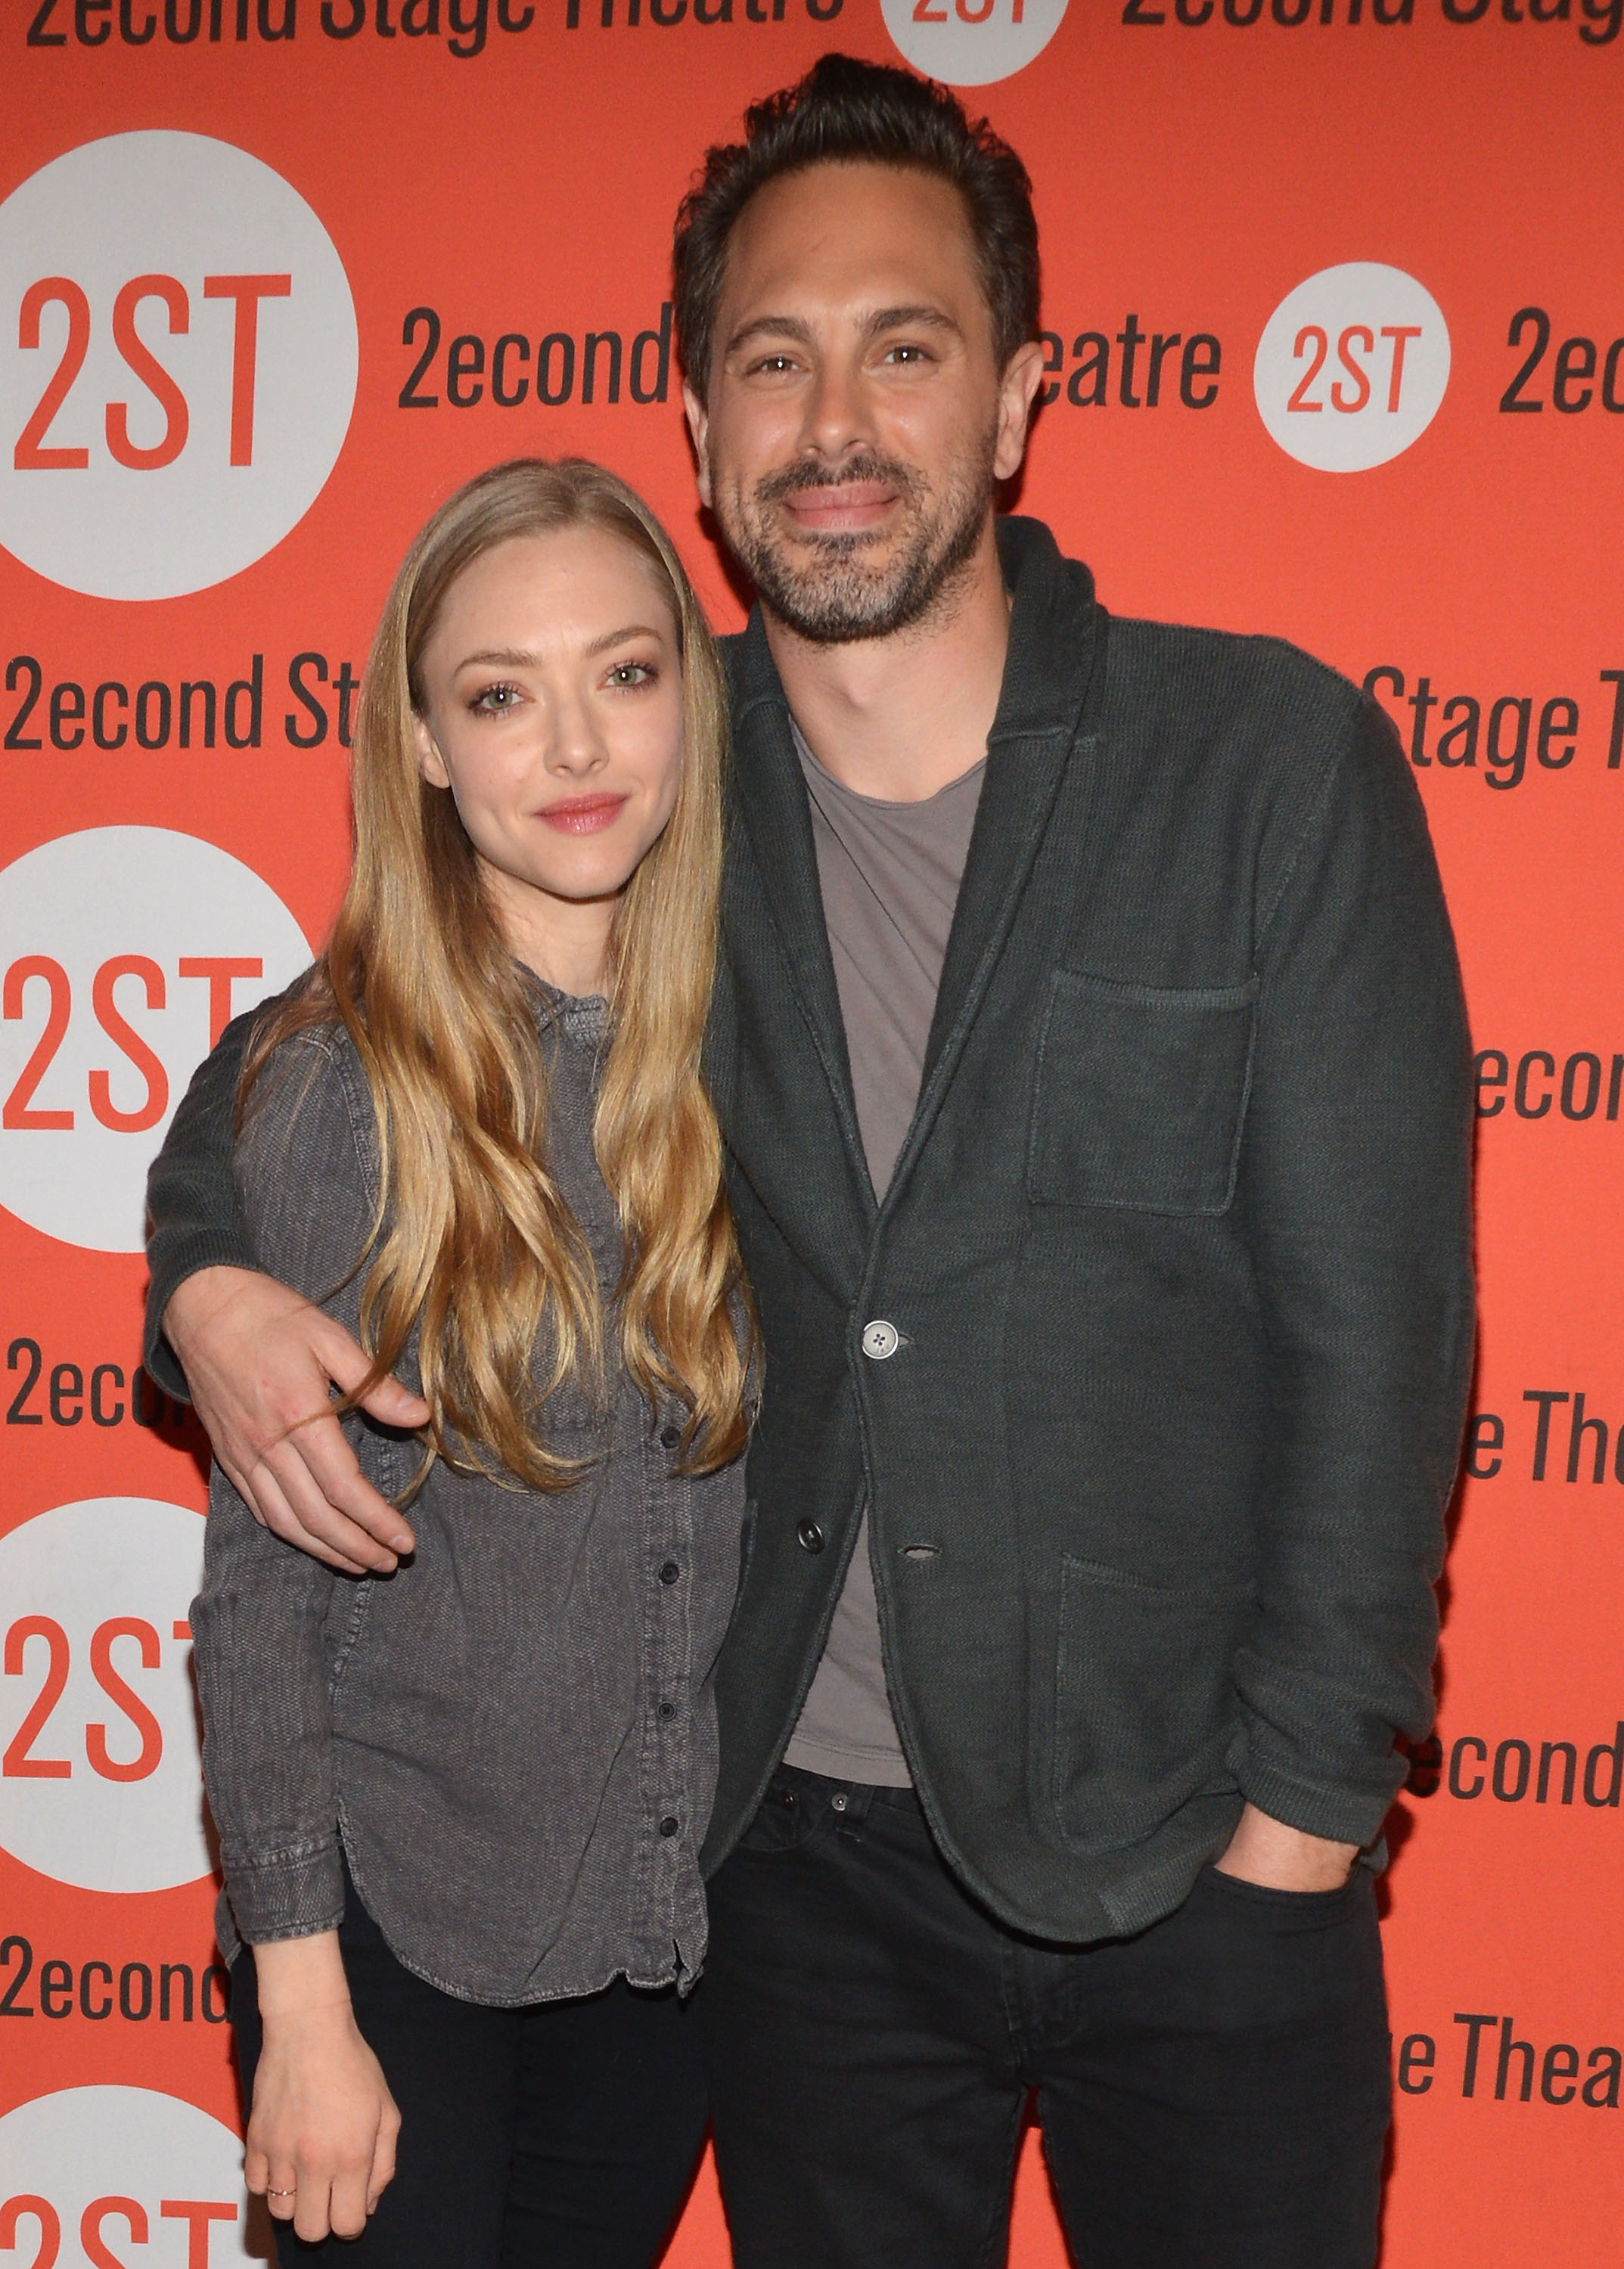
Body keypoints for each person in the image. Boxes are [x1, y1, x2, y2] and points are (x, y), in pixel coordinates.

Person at [145, 57, 1474, 2269]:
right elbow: (348, 1034)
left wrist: (1301, 1834)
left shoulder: (1260, 764)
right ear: (694, 427)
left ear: (1020, 396)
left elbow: (1381, 1338)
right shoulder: (659, 772)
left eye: (903, 346)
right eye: (772, 358)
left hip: (1201, 1874)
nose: (832, 419)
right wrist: (201, 1269)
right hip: (789, 1895)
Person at [184, 457, 754, 2267]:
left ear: (691, 695)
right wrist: (302, 2010)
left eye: (628, 672)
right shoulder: (342, 1085)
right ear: (423, 743)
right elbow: (261, 1600)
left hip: (662, 1949)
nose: (574, 743)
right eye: (501, 695)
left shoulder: (757, 1054)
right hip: (397, 1952)